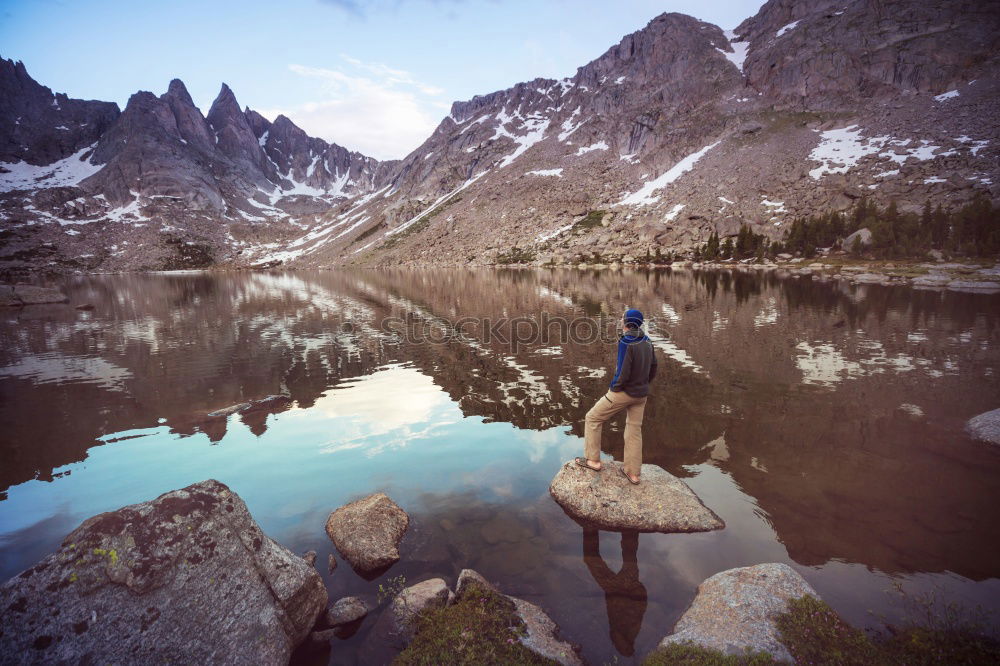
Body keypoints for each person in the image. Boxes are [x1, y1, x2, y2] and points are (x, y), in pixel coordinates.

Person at [576, 308, 657, 484]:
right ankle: (633, 473)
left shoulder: (626, 341)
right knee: (634, 430)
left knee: (593, 418)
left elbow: (623, 371)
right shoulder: (648, 341)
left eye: (622, 318)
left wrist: (615, 388)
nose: (620, 320)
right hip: (641, 394)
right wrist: (643, 384)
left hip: (624, 392)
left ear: (627, 322)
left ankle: (593, 460)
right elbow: (653, 368)